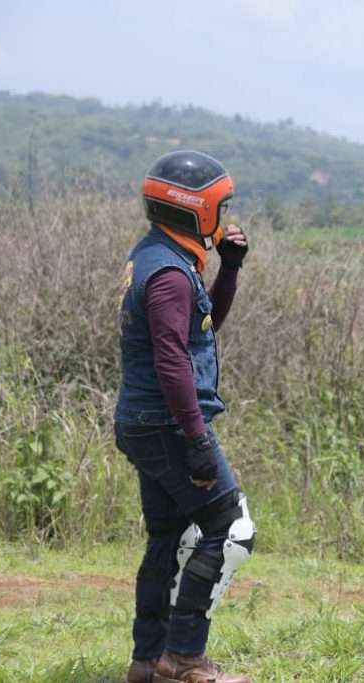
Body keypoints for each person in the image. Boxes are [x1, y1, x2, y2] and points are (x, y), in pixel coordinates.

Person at [115, 150, 255, 683]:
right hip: (169, 424)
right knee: (231, 528)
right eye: (221, 205)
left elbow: (202, 327)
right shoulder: (170, 275)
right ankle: (184, 657)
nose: (226, 214)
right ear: (196, 209)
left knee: (168, 536)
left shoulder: (159, 257)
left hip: (145, 421)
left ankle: (148, 660)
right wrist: (196, 439)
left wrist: (229, 269)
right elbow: (173, 359)